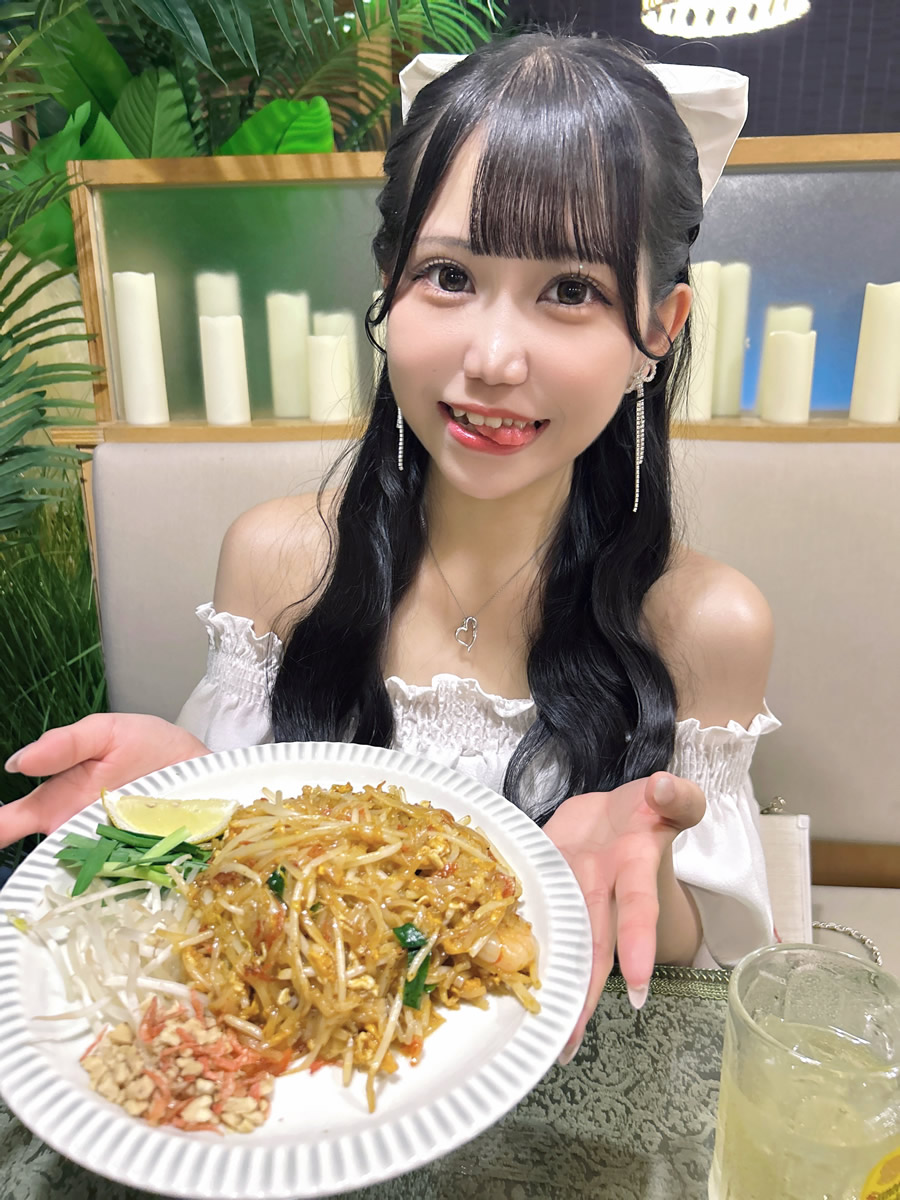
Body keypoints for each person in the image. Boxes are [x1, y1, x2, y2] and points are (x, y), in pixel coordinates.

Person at [1, 33, 777, 1064]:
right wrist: (185, 794)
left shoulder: (706, 625)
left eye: (571, 291)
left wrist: (641, 866)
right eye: (449, 275)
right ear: (388, 284)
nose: (492, 358)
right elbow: (256, 879)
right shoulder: (278, 561)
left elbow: (688, 966)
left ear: (660, 327)